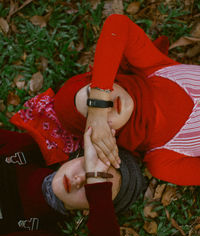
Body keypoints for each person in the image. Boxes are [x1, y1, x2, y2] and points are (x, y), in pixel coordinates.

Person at [10, 14, 200, 186]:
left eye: (91, 95)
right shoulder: (162, 161)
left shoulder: (151, 69)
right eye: (91, 119)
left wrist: (98, 108)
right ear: (104, 138)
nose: (105, 106)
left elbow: (117, 24)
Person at [0, 125, 145, 236]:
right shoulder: (24, 151)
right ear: (79, 156)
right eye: (87, 166)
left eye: (92, 186)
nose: (79, 179)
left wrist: (97, 186)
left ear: (92, 209)